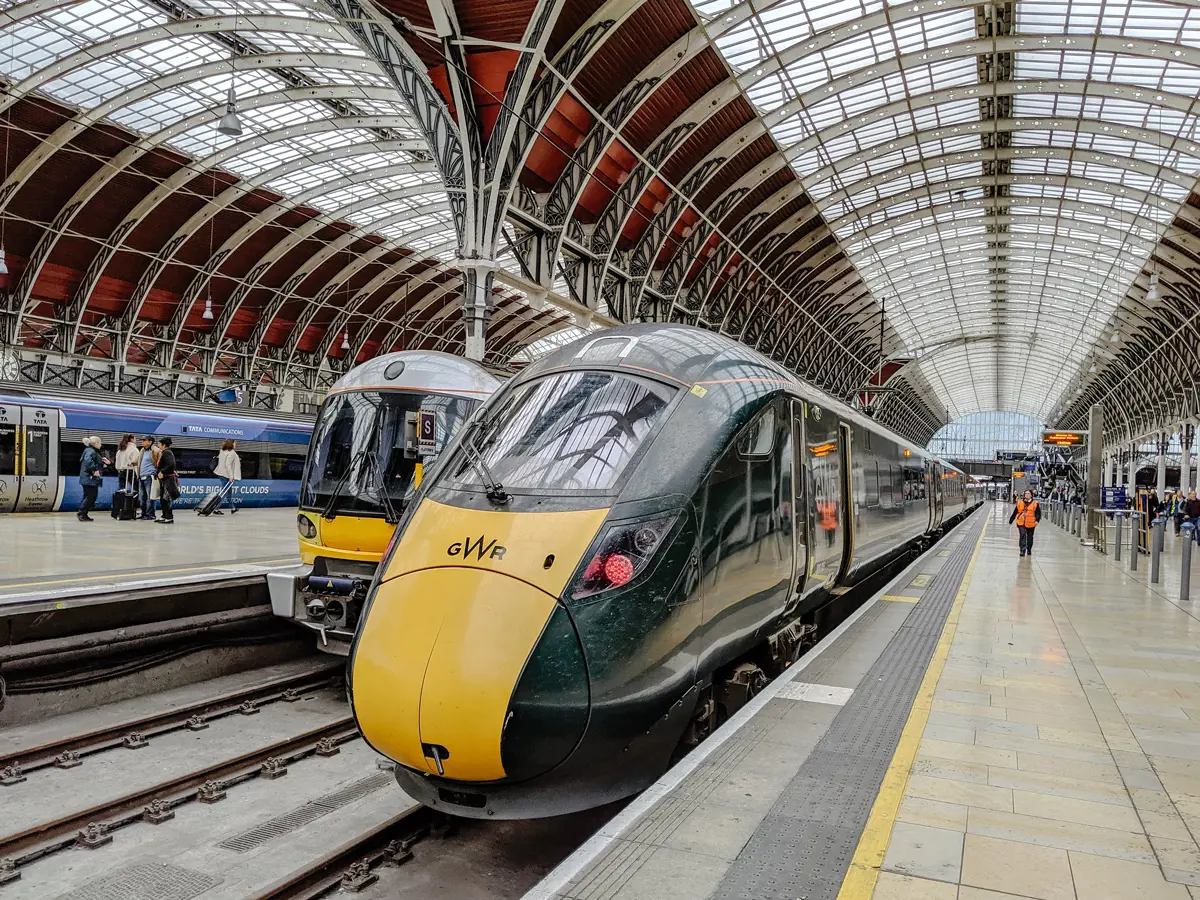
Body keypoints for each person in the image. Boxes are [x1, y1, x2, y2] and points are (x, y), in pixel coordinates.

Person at [78, 436, 105, 522]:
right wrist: (95, 469)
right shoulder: (91, 451)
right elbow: (88, 462)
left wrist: (102, 461)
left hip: (86, 478)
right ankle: (82, 513)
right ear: (96, 443)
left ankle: (83, 513)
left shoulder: (88, 450)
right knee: (91, 496)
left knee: (87, 496)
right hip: (89, 478)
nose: (101, 445)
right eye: (100, 443)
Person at [1009, 489, 1041, 557]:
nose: (1026, 495)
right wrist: (1011, 519)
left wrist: (1037, 520)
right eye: (1025, 493)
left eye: (1028, 493)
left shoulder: (1035, 503)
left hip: (1031, 523)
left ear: (1031, 495)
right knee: (1022, 535)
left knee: (1030, 537)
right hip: (1021, 522)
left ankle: (1029, 549)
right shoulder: (1020, 502)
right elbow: (1015, 511)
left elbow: (1038, 513)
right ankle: (1022, 550)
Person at [212, 438, 242, 515]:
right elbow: (228, 465)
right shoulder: (231, 453)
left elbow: (222, 460)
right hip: (226, 475)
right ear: (231, 444)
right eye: (235, 443)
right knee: (224, 493)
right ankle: (216, 509)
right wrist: (231, 476)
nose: (236, 444)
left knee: (229, 492)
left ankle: (233, 508)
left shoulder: (222, 451)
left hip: (220, 473)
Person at [156, 436, 178, 524]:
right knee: (162, 498)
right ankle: (164, 515)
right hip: (164, 479)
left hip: (168, 479)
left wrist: (163, 472)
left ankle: (169, 517)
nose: (158, 445)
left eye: (159, 443)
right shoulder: (164, 452)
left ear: (164, 445)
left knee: (166, 498)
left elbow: (171, 464)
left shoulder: (167, 453)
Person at [137, 435, 158, 520]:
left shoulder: (154, 450)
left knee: (150, 497)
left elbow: (159, 460)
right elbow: (138, 460)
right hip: (141, 476)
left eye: (144, 440)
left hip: (149, 477)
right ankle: (144, 513)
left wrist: (155, 472)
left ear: (150, 442)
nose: (142, 442)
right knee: (142, 498)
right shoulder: (142, 450)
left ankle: (151, 515)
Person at [114, 433, 139, 501]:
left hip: (121, 471)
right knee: (136, 490)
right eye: (135, 438)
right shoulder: (134, 449)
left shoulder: (120, 450)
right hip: (131, 471)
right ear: (131, 439)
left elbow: (117, 463)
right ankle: (133, 506)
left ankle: (121, 506)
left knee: (122, 490)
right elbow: (136, 462)